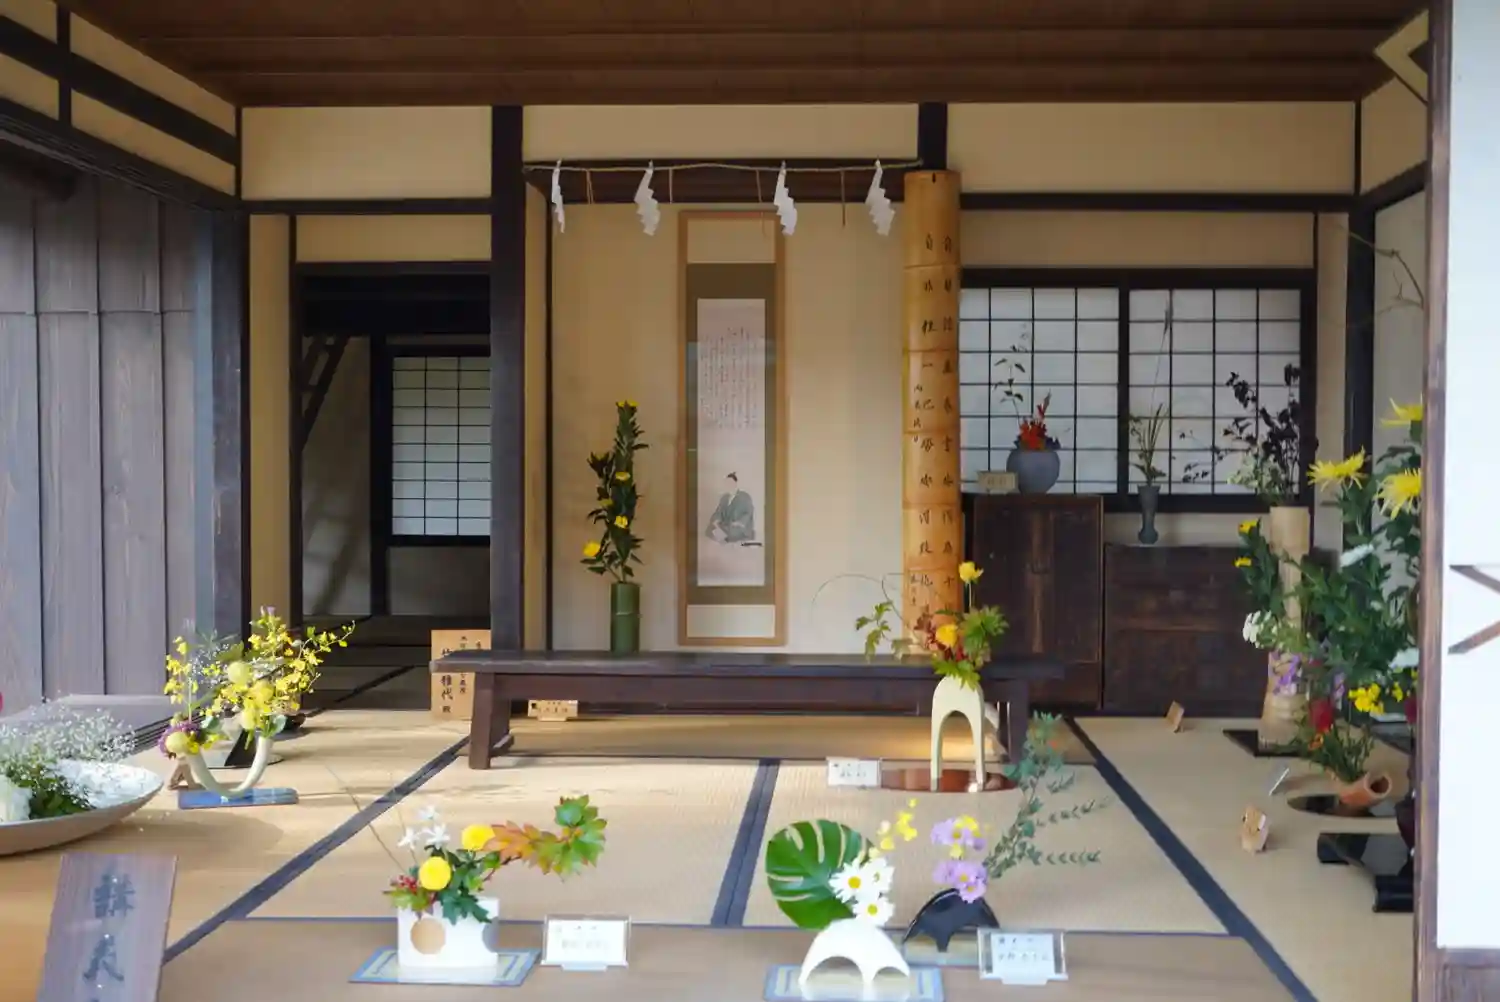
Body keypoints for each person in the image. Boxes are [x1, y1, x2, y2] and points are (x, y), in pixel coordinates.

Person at [705, 472, 757, 544]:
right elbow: (719, 511)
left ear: (735, 483)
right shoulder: (724, 497)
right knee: (710, 529)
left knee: (732, 531)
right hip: (727, 524)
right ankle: (723, 538)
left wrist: (740, 522)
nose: (728, 485)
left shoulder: (744, 496)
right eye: (727, 483)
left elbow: (748, 512)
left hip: (738, 526)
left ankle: (724, 538)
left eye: (731, 483)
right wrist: (716, 520)